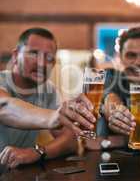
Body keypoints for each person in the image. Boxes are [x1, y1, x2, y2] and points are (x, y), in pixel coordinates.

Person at [0, 27, 96, 169]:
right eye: (33, 53)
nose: (42, 63)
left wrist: (37, 152)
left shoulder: (48, 90)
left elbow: (70, 141)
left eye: (49, 57)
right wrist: (54, 117)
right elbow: (5, 107)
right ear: (15, 56)